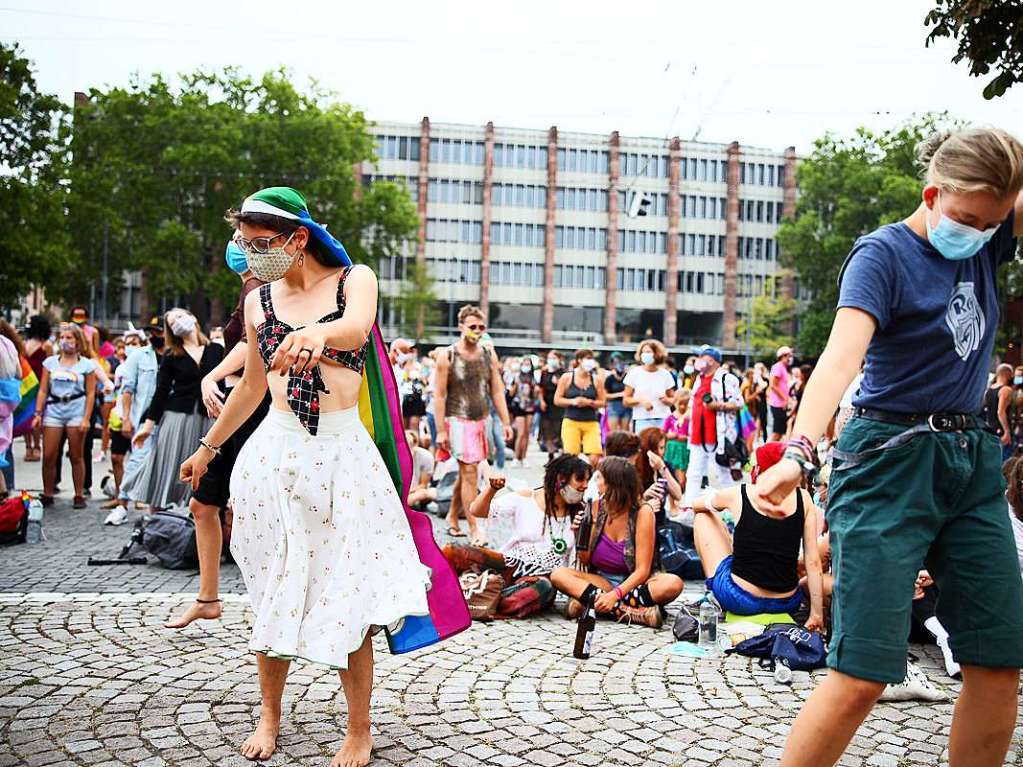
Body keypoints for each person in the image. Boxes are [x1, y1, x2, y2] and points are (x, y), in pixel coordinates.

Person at [755, 127, 1023, 767]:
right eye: (966, 219)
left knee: (999, 659)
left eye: (994, 223)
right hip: (887, 460)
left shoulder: (985, 238)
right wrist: (797, 452)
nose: (981, 235)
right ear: (931, 195)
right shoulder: (883, 255)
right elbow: (839, 360)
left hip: (970, 462)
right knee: (865, 670)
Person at [180, 186, 446, 766]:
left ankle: (359, 728)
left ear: (298, 239)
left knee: (349, 588)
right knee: (275, 587)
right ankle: (269, 715)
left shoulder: (356, 281)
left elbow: (355, 328)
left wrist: (318, 335)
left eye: (260, 243)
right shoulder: (257, 302)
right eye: (243, 244)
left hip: (342, 454)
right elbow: (251, 386)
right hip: (275, 455)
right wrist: (208, 447)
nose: (250, 254)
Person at [167, 239, 269, 629]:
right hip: (238, 407)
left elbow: (251, 345)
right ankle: (208, 598)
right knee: (203, 504)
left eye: (242, 240)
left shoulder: (259, 288)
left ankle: (272, 602)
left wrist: (215, 373)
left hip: (253, 408)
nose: (233, 246)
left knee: (251, 509)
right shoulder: (250, 287)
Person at [693, 441, 824, 623]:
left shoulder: (741, 492)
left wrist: (717, 503)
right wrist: (816, 615)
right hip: (786, 601)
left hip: (741, 598)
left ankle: (714, 595)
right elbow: (813, 561)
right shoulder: (805, 498)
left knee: (702, 517)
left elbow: (696, 505)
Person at [551, 456, 683, 629]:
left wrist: (615, 594)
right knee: (558, 575)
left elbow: (642, 571)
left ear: (613, 484)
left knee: (673, 584)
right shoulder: (595, 507)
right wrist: (580, 534)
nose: (594, 483)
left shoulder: (643, 512)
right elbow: (585, 561)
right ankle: (628, 611)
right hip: (602, 579)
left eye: (599, 478)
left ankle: (592, 604)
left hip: (635, 582)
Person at [433, 306, 513, 545]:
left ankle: (451, 515)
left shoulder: (489, 354)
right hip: (457, 419)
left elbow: (497, 390)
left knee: (466, 472)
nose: (477, 331)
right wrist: (439, 431)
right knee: (469, 473)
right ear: (461, 327)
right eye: (472, 327)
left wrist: (505, 422)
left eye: (481, 327)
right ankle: (474, 527)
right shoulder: (447, 355)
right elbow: (439, 395)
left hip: (482, 419)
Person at [444, 454, 591, 582]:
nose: (585, 486)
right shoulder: (527, 498)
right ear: (561, 478)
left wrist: (580, 532)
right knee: (453, 550)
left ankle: (491, 591)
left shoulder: (582, 513)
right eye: (579, 479)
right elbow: (477, 511)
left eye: (587, 481)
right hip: (508, 565)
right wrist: (491, 489)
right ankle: (486, 588)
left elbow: (585, 561)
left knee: (540, 588)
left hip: (538, 580)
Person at [132, 308, 223, 510]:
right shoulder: (171, 355)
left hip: (209, 418)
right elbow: (161, 392)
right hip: (177, 418)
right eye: (172, 323)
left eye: (180, 317)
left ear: (193, 318)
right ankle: (157, 521)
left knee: (206, 471)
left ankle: (196, 517)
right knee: (169, 466)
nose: (177, 323)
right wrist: (148, 427)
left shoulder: (217, 350)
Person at [33, 323, 97, 508]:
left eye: (69, 338)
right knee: (49, 455)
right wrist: (38, 413)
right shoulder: (50, 363)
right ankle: (48, 492)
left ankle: (78, 494)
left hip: (75, 410)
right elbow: (43, 390)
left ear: (78, 341)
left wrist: (86, 418)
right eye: (62, 337)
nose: (65, 341)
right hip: (54, 410)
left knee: (77, 455)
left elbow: (90, 393)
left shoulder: (86, 365)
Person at [684, 345, 742, 504]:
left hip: (718, 436)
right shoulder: (698, 379)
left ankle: (729, 511)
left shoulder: (726, 378)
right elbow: (693, 404)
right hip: (697, 435)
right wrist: (684, 418)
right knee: (694, 474)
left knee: (722, 474)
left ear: (712, 360)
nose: (698, 360)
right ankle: (689, 509)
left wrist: (718, 406)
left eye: (702, 357)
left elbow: (738, 403)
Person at [102, 329, 144, 511]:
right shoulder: (120, 369)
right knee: (116, 457)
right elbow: (119, 393)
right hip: (119, 415)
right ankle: (120, 496)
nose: (129, 347)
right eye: (127, 344)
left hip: (139, 417)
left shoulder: (147, 366)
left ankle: (139, 497)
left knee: (139, 458)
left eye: (134, 343)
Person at [554, 349, 606, 465]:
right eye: (587, 359)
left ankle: (589, 477)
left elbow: (603, 402)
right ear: (579, 360)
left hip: (591, 421)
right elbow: (557, 400)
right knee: (572, 456)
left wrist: (589, 403)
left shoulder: (596, 380)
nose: (590, 362)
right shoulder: (567, 377)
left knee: (594, 456)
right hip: (571, 420)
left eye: (591, 359)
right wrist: (573, 401)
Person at [623, 340, 676, 433]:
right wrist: (641, 401)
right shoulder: (634, 373)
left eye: (648, 352)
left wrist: (667, 400)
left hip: (663, 418)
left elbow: (673, 399)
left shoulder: (665, 374)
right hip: (642, 419)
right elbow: (626, 400)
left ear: (657, 354)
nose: (645, 355)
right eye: (643, 352)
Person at [22, 315, 52, 462]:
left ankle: (36, 446)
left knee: (36, 414)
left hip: (40, 383)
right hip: (27, 383)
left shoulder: (46, 345)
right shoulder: (24, 343)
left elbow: (51, 364)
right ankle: (28, 446)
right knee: (25, 415)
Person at [0, 322, 24, 497]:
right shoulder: (8, 344)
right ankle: (7, 493)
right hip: (7, 403)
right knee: (4, 450)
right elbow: (19, 373)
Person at [635, 427, 683, 511]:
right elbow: (628, 506)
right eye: (656, 449)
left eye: (662, 448)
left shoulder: (665, 465)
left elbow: (678, 495)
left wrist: (662, 468)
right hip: (642, 518)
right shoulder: (634, 468)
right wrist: (644, 498)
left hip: (661, 519)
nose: (660, 452)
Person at [508, 355, 540, 467]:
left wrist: (536, 391)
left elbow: (536, 396)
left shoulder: (533, 379)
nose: (526, 366)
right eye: (524, 364)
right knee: (520, 433)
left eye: (528, 364)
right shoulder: (516, 377)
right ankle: (516, 457)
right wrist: (515, 386)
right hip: (519, 406)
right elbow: (511, 394)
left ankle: (524, 457)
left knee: (527, 433)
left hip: (530, 407)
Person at [982, 363, 1016, 460]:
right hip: (1001, 432)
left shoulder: (989, 389)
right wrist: (1007, 431)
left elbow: (983, 408)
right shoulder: (1006, 390)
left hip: (989, 430)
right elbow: (1000, 412)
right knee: (1004, 464)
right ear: (1008, 374)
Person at [662, 389, 691, 495]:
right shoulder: (670, 418)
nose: (683, 407)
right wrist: (670, 435)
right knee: (674, 475)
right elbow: (663, 434)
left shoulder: (689, 418)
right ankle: (675, 498)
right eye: (680, 404)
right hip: (672, 449)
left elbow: (693, 433)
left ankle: (683, 494)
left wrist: (686, 437)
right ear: (675, 402)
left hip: (684, 449)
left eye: (686, 404)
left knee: (684, 476)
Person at [538, 352, 564, 456]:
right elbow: (540, 388)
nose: (551, 360)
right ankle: (551, 454)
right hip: (547, 404)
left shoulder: (563, 373)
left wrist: (558, 384)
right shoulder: (544, 373)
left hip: (559, 405)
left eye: (554, 358)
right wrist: (541, 401)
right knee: (547, 430)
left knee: (559, 430)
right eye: (550, 358)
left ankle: (561, 452)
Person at [768, 346, 793, 441]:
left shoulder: (783, 368)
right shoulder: (778, 367)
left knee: (780, 432)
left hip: (781, 404)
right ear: (783, 356)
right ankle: (767, 452)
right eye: (788, 356)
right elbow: (773, 385)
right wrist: (784, 398)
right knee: (777, 432)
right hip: (777, 404)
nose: (790, 359)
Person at [603, 352, 630, 432]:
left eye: (620, 361)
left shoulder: (628, 376)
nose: (618, 364)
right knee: (613, 433)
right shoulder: (609, 378)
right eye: (615, 362)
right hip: (613, 406)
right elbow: (605, 395)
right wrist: (620, 394)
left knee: (625, 432)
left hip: (626, 405)